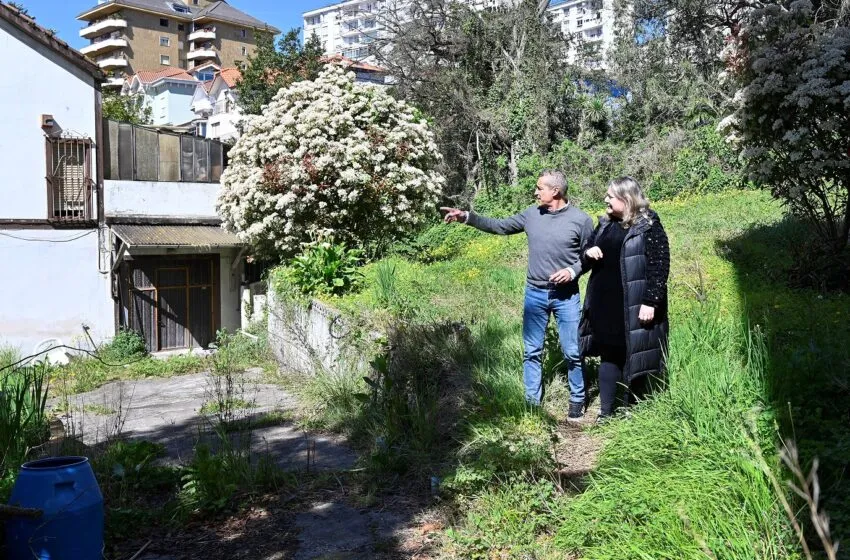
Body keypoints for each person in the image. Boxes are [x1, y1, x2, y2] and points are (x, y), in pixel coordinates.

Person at [441, 170, 594, 420]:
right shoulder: (531, 214)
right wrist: (466, 217)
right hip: (535, 293)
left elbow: (590, 256)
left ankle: (577, 399)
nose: (535, 192)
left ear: (555, 191)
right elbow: (500, 226)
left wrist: (573, 270)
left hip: (566, 296)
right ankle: (531, 403)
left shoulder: (581, 220)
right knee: (532, 351)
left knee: (573, 351)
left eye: (539, 187)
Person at [579, 176, 670, 421]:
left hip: (633, 305)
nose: (605, 199)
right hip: (604, 305)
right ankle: (606, 413)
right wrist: (588, 251)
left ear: (626, 198)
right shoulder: (606, 224)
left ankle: (634, 412)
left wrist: (651, 301)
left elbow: (659, 265)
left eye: (610, 195)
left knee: (635, 356)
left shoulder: (648, 225)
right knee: (609, 355)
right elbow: (585, 251)